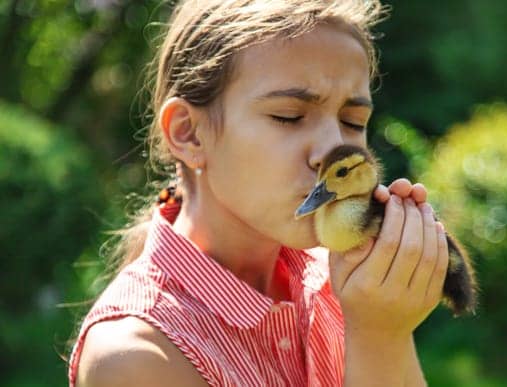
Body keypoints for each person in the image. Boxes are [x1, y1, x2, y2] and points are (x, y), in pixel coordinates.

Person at [69, 0, 447, 385]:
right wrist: (379, 338)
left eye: (352, 122)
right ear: (188, 132)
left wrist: (385, 326)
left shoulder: (343, 283)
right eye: (289, 116)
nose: (333, 151)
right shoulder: (135, 357)